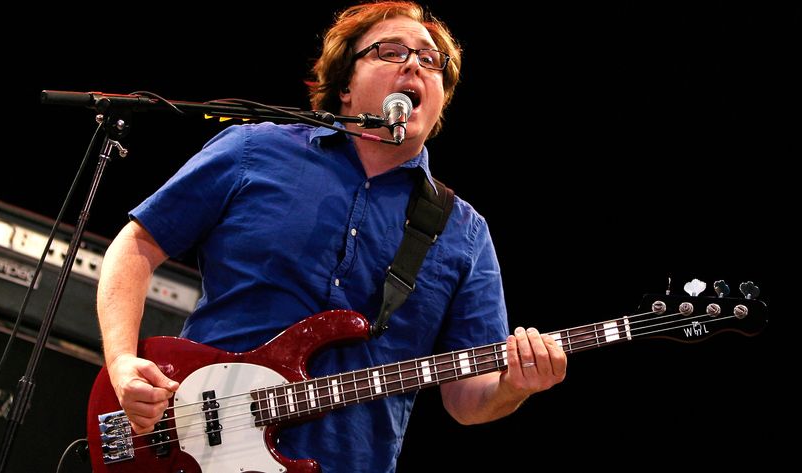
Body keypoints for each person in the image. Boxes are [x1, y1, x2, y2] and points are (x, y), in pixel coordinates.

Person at [96, 2, 567, 472]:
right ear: (344, 85)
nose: (413, 65)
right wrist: (120, 364)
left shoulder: (464, 233)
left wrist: (514, 387)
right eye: (390, 51)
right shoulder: (254, 150)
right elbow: (136, 246)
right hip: (185, 444)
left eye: (430, 61)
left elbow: (468, 399)